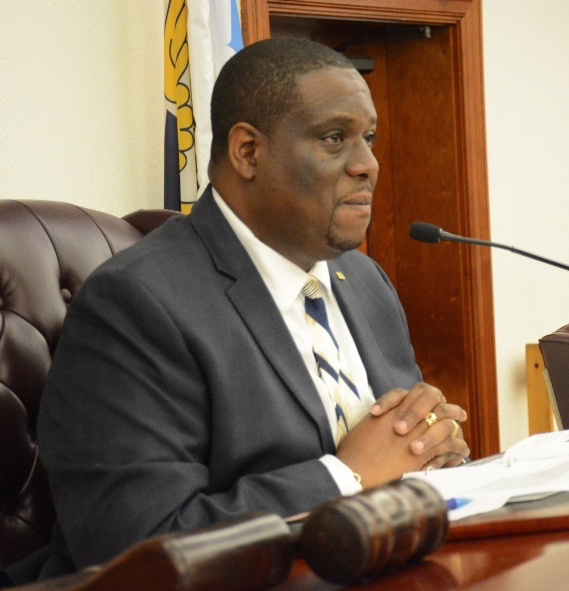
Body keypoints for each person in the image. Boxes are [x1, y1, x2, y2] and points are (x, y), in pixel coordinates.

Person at [11, 36, 469, 583]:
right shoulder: (138, 303)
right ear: (248, 152)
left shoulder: (364, 282)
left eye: (369, 138)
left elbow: (399, 452)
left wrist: (434, 450)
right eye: (334, 138)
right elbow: (134, 542)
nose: (368, 164)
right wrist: (346, 476)